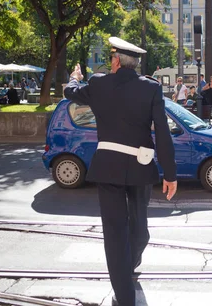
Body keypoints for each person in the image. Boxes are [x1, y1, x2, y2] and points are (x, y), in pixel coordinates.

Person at [64, 36, 177, 306]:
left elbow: (71, 93)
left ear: (115, 61)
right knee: (139, 227)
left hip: (109, 168)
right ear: (134, 64)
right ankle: (133, 260)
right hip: (140, 166)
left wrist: (74, 77)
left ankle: (124, 296)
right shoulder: (151, 88)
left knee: (115, 233)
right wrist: (170, 174)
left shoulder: (98, 83)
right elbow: (163, 131)